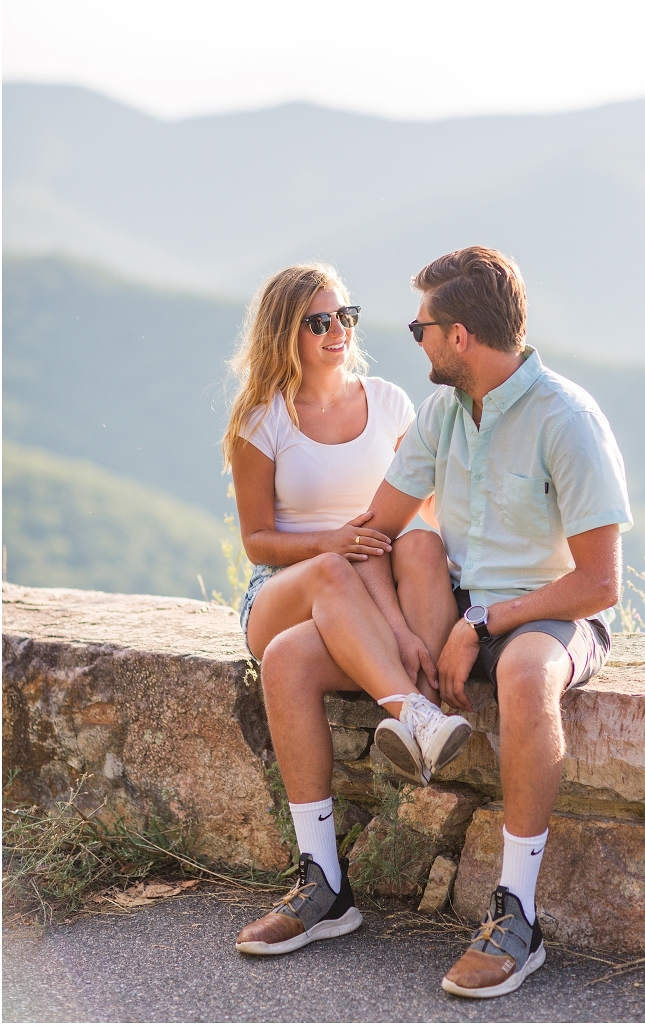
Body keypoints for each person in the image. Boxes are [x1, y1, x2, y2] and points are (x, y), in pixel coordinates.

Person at [254, 246, 632, 997]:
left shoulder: (568, 419)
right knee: (293, 654)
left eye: (421, 325)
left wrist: (487, 621)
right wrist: (395, 620)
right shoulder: (441, 413)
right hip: (452, 610)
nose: (414, 337)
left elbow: (598, 583)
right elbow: (381, 526)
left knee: (525, 673)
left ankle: (515, 915)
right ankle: (324, 881)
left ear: (459, 337)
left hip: (546, 615)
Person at [222, 262, 471, 957]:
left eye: (345, 316)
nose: (338, 331)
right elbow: (256, 540)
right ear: (286, 333)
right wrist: (332, 539)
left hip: (367, 594)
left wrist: (397, 620)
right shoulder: (263, 419)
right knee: (328, 571)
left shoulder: (389, 403)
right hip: (284, 588)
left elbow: (415, 514)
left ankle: (323, 883)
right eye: (320, 321)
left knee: (291, 660)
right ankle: (416, 716)